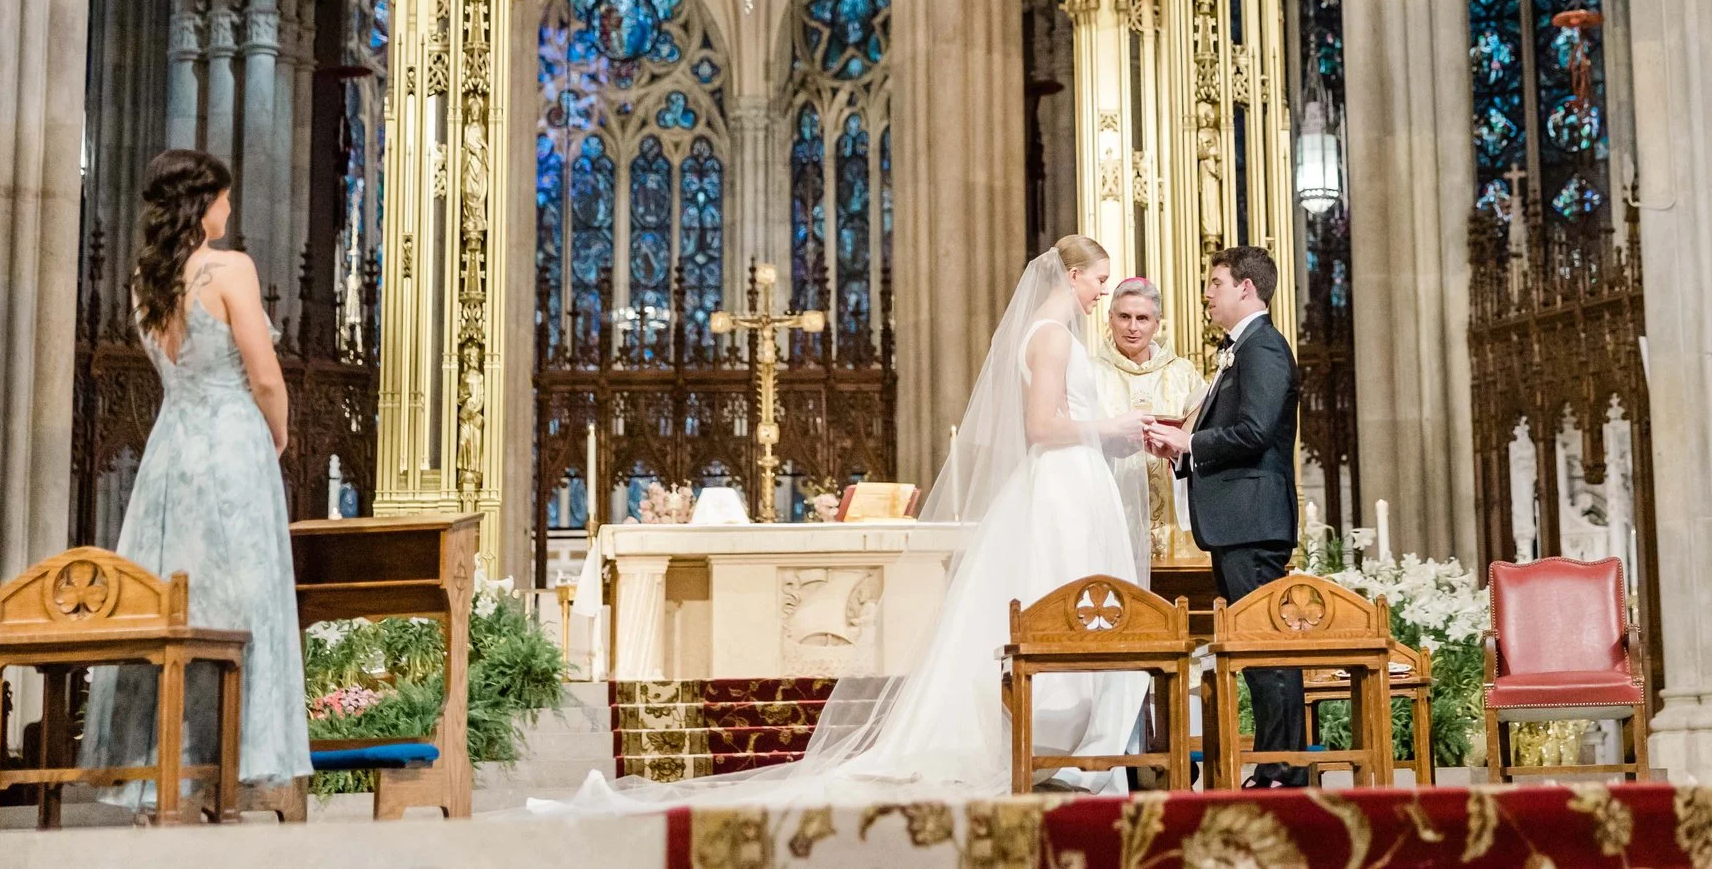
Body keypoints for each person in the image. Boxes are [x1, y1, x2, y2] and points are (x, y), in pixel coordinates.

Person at [542, 235, 1152, 807]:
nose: (1104, 292)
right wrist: (1113, 428)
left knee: (1075, 608)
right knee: (1062, 605)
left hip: (1072, 483)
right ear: (1072, 277)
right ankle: (1055, 744)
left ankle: (1068, 747)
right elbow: (1042, 427)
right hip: (1059, 488)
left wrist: (1124, 438)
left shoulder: (1055, 335)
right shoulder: (1050, 338)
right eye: (1099, 281)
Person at [82, 149, 313, 809]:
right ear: (200, 200)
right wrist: (279, 429)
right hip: (232, 447)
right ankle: (239, 764)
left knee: (178, 605)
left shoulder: (145, 279)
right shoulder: (231, 267)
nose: (230, 208)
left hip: (172, 452)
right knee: (240, 607)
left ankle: (169, 767)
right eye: (223, 197)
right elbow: (265, 373)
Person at [1144, 246, 1301, 787]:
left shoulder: (1263, 350)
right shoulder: (1243, 349)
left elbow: (1256, 431)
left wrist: (1191, 441)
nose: (1207, 294)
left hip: (1252, 520)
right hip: (1239, 520)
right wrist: (1184, 449)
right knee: (1257, 649)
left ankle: (1284, 769)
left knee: (1267, 648)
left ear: (1246, 289)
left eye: (1215, 283)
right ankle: (1278, 765)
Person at [1093, 277, 1207, 559]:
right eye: (1124, 317)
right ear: (1109, 319)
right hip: (1110, 513)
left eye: (1142, 318)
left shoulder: (1183, 374)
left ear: (1157, 323)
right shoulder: (1089, 374)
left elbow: (1203, 439)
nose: (1133, 327)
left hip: (1174, 524)